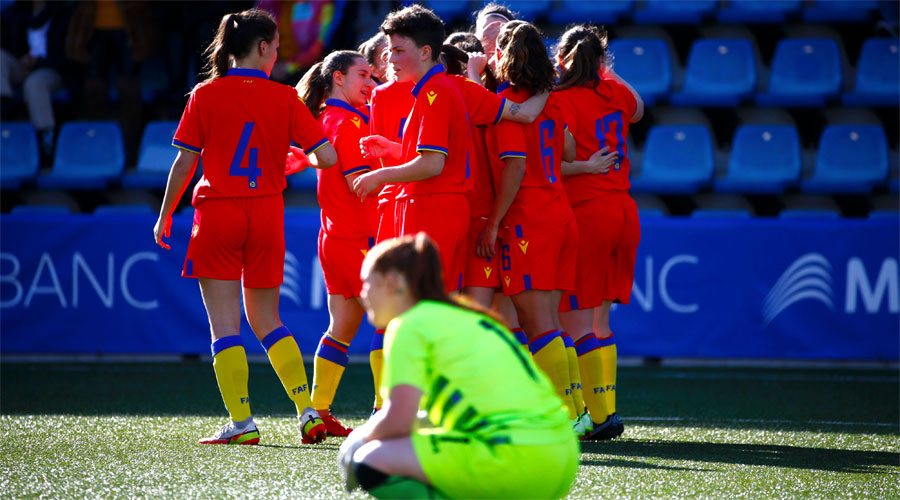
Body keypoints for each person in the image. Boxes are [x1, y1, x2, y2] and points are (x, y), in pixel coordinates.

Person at [152, 8, 338, 446]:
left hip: (218, 211)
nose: (277, 54)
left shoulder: (205, 94)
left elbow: (185, 162)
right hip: (268, 212)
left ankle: (242, 423)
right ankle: (307, 411)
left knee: (225, 326)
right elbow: (328, 157)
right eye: (276, 47)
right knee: (268, 320)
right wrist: (296, 158)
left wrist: (165, 214)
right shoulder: (285, 97)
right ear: (261, 47)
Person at [338, 233, 579, 500]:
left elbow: (399, 418)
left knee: (369, 460)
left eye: (366, 283)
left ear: (392, 283)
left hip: (515, 457)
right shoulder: (470, 316)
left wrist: (359, 438)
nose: (363, 294)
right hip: (563, 456)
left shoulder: (408, 325)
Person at [476, 20, 583, 428]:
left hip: (528, 223)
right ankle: (577, 412)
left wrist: (493, 223)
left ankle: (567, 417)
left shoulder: (507, 105)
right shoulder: (549, 101)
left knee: (538, 326)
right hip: (560, 217)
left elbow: (515, 166)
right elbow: (569, 151)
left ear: (502, 56)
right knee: (551, 323)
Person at [555, 24, 644, 441]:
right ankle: (606, 410)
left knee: (569, 320)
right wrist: (605, 68)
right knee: (599, 319)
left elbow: (554, 160)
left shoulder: (562, 99)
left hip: (589, 211)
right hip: (624, 210)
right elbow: (639, 108)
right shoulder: (614, 93)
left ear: (562, 59)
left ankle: (592, 414)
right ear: (601, 61)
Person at [352, 5, 471, 295]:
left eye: (398, 51)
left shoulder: (435, 91)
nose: (390, 59)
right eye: (389, 51)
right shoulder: (430, 89)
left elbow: (432, 165)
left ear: (425, 52)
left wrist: (379, 176)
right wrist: (395, 150)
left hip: (435, 208)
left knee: (424, 304)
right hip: (434, 206)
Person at [296, 49, 377, 436]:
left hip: (335, 236)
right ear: (338, 78)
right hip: (358, 237)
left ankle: (319, 411)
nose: (371, 82)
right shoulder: (347, 121)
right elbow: (359, 184)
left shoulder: (329, 117)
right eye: (363, 75)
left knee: (342, 325)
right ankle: (384, 412)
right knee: (389, 323)